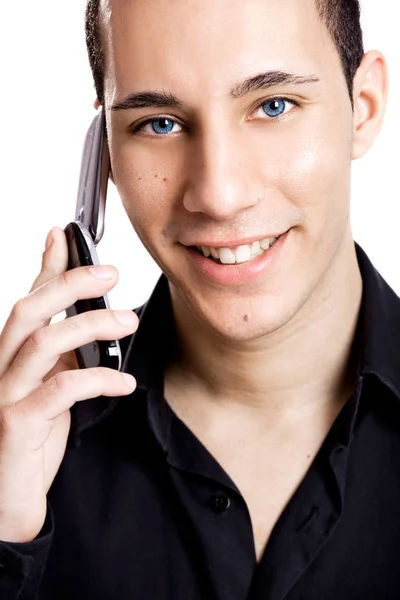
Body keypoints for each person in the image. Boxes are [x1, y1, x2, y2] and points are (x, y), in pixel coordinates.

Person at [0, 0, 394, 597]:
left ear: (361, 110)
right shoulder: (29, 453)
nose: (219, 194)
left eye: (273, 105)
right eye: (159, 122)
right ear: (103, 152)